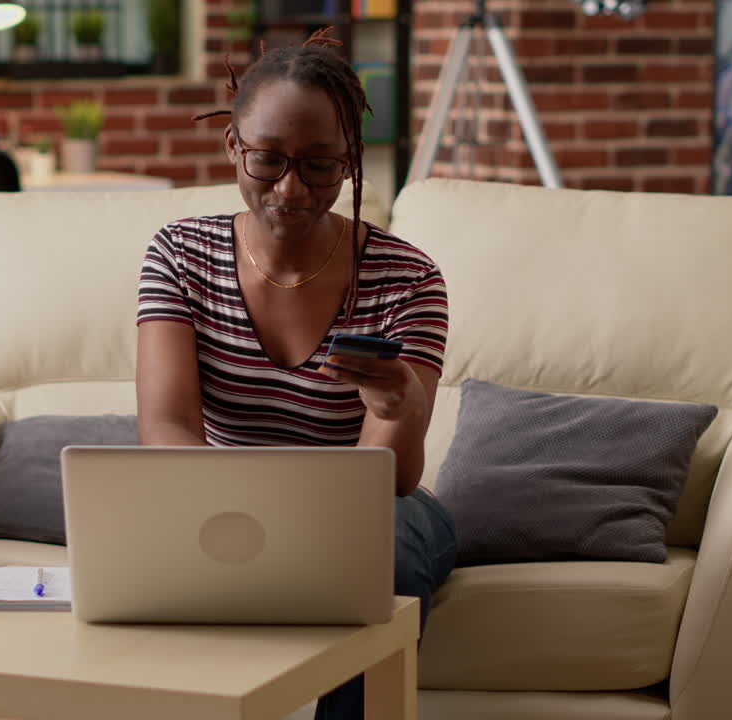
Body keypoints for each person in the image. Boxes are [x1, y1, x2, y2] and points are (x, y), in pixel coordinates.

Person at [134, 29, 456, 720]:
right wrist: (232, 516)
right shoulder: (180, 255)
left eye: (319, 166)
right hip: (222, 487)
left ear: (349, 161)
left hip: (370, 506)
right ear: (232, 147)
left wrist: (402, 408)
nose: (290, 188)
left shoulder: (407, 277)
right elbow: (167, 424)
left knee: (380, 553)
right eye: (268, 160)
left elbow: (390, 481)